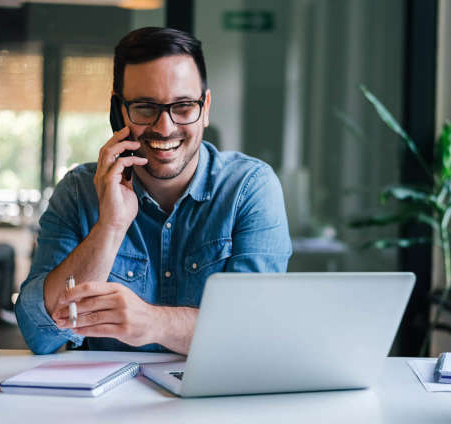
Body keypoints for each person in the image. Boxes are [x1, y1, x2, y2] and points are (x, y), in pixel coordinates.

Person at [15, 27, 292, 355]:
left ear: (205, 107)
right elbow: (39, 334)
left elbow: (254, 333)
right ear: (119, 111)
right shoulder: (78, 191)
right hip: (105, 403)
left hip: (214, 401)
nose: (165, 127)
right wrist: (110, 227)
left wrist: (152, 322)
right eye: (146, 108)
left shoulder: (250, 188)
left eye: (184, 106)